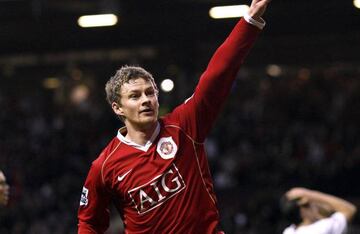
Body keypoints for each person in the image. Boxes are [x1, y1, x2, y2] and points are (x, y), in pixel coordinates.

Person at [77, 0, 271, 233]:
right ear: (118, 108)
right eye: (135, 96)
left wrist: (248, 22)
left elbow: (216, 77)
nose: (146, 100)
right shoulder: (105, 166)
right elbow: (89, 222)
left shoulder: (184, 125)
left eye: (150, 93)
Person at [281, 187, 357, 234]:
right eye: (311, 205)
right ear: (302, 210)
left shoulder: (289, 231)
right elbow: (349, 209)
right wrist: (307, 193)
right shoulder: (322, 228)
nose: (316, 208)